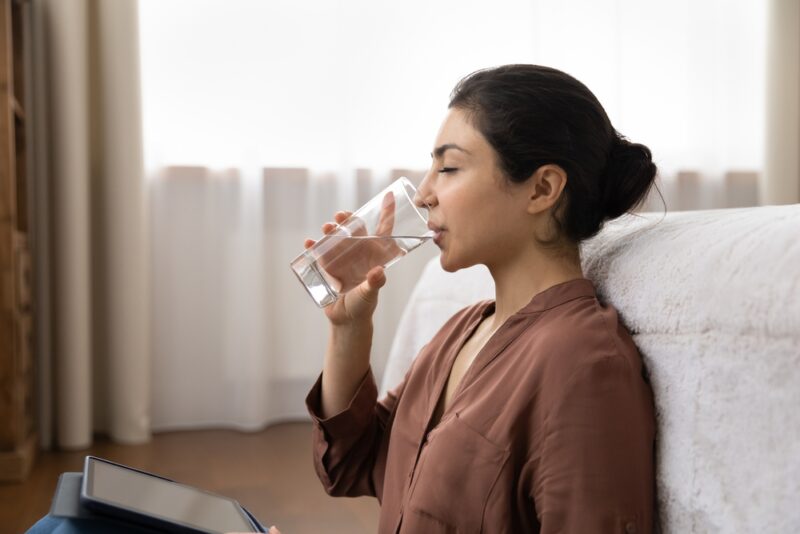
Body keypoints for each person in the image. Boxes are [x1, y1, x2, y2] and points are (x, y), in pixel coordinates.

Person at [302, 64, 660, 533]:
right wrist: (348, 327)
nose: (425, 193)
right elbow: (355, 464)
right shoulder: (461, 331)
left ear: (542, 189)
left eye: (448, 167)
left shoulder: (584, 362)